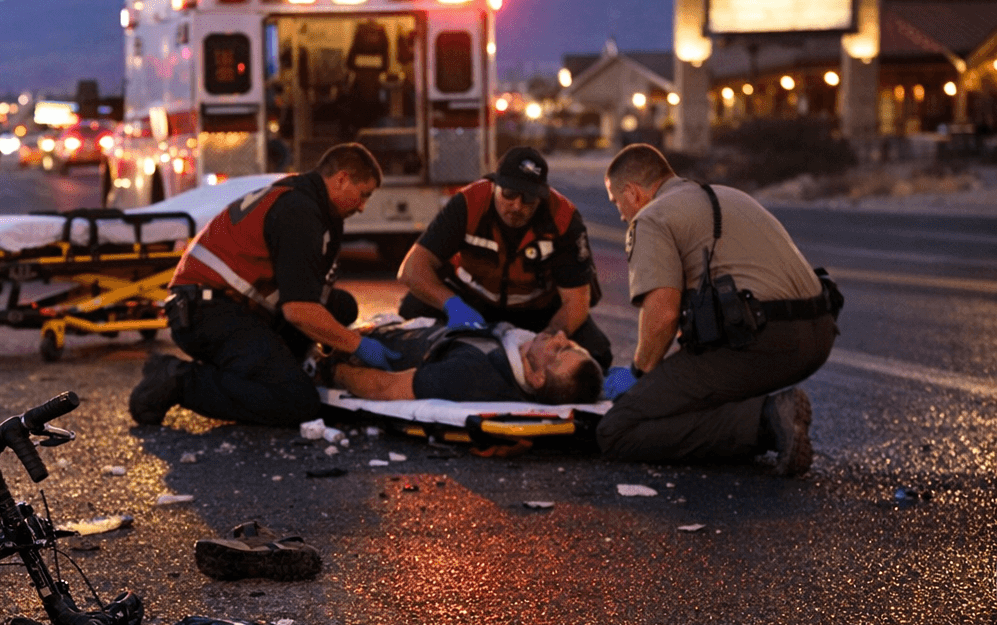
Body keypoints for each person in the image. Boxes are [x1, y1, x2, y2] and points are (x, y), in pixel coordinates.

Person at [597, 144, 839, 476]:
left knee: (616, 429)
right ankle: (760, 419)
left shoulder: (651, 217)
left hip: (762, 340)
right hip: (820, 334)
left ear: (632, 192)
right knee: (681, 387)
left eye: (616, 203)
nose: (621, 215)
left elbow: (662, 315)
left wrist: (638, 374)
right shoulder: (729, 195)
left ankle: (768, 421)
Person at [129, 143, 396, 428]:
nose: (362, 206)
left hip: (223, 303)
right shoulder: (300, 211)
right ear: (341, 179)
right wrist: (356, 344)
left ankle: (280, 366)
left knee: (342, 306)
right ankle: (178, 380)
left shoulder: (311, 204)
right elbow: (298, 309)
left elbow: (311, 292)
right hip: (204, 311)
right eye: (363, 194)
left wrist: (330, 341)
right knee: (296, 401)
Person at [396, 145, 612, 369]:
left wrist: (548, 338)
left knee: (597, 354)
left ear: (542, 196)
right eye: (509, 193)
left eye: (529, 197)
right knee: (412, 311)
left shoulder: (564, 218)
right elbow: (411, 269)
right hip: (471, 304)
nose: (517, 206)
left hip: (536, 313)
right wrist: (452, 305)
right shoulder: (469, 202)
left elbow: (576, 301)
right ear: (495, 185)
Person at [330, 318, 604, 405]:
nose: (561, 336)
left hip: (344, 343)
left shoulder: (474, 373)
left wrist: (330, 369)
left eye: (559, 350)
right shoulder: (516, 348)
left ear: (536, 378)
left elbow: (383, 387)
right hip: (388, 328)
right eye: (570, 345)